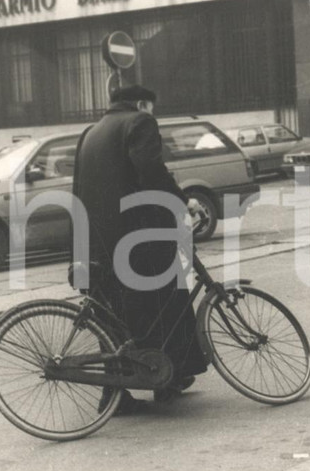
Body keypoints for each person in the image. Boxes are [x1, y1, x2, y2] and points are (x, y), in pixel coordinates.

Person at [71, 84, 208, 414]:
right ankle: (168, 380)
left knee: (114, 315)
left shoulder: (90, 132)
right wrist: (183, 200)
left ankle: (115, 395)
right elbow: (151, 171)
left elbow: (79, 187)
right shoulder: (140, 123)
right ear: (144, 104)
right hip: (139, 237)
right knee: (166, 304)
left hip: (97, 242)